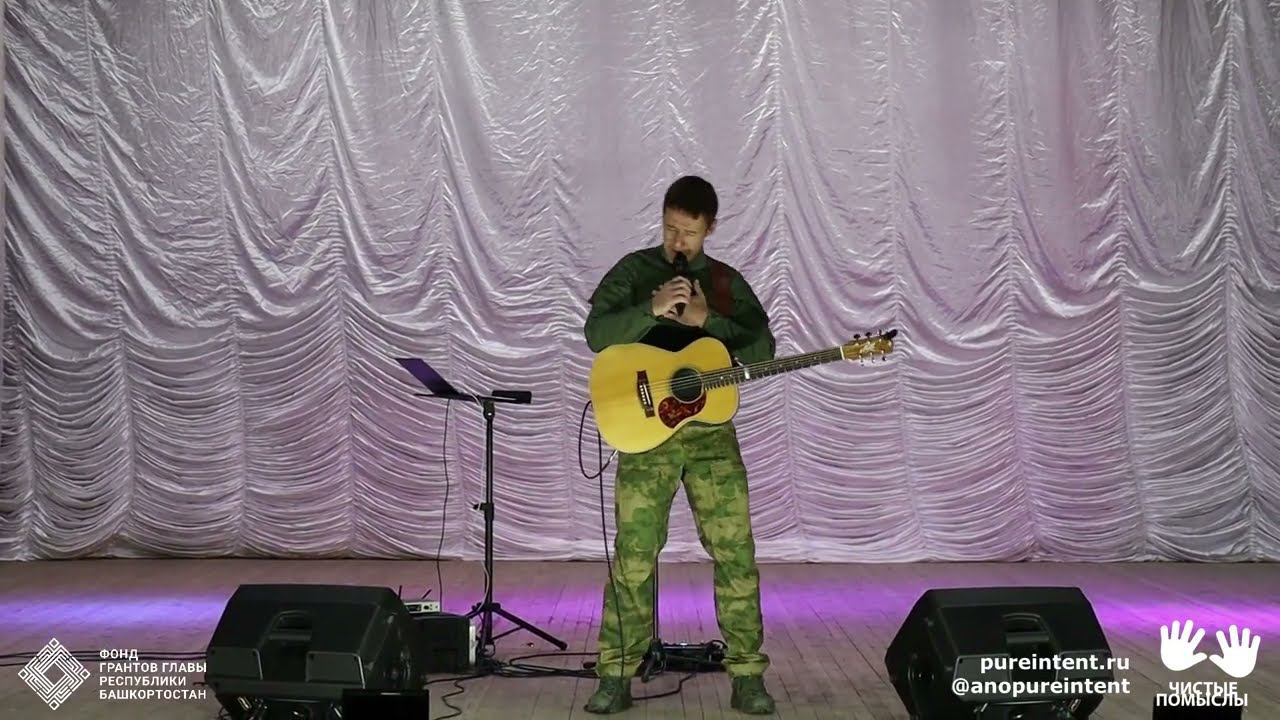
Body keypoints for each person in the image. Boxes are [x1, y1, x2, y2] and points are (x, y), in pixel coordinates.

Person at [581, 175, 777, 715]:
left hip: (710, 434)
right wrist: (651, 308)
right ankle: (616, 673)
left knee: (735, 552)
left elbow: (763, 349)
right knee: (634, 556)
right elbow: (596, 334)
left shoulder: (724, 282)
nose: (677, 241)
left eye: (688, 232)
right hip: (646, 435)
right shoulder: (634, 271)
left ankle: (747, 676)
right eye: (670, 228)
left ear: (710, 229)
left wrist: (706, 320)